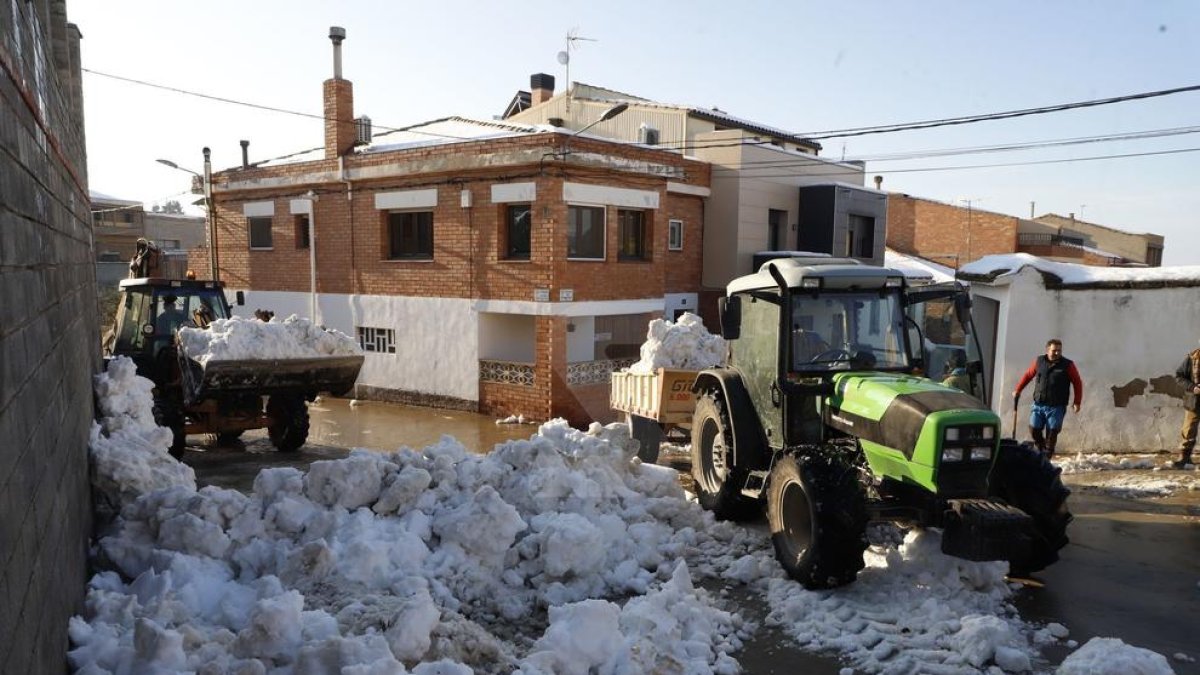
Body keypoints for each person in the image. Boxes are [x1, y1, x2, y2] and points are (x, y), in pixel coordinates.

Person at [1012, 338, 1083, 459]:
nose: (1057, 353)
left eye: (1059, 351)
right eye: (1054, 350)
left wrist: (1077, 402)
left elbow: (1077, 382)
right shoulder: (1039, 361)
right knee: (1034, 429)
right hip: (1039, 404)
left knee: (1052, 433)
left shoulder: (1068, 365)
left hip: (1056, 406)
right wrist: (1018, 389)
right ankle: (1041, 449)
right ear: (1047, 350)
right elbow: (1028, 375)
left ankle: (1046, 458)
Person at [1171, 341, 1200, 469]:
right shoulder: (1192, 358)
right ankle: (1184, 457)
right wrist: (1193, 387)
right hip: (1194, 401)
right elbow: (1179, 376)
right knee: (1188, 430)